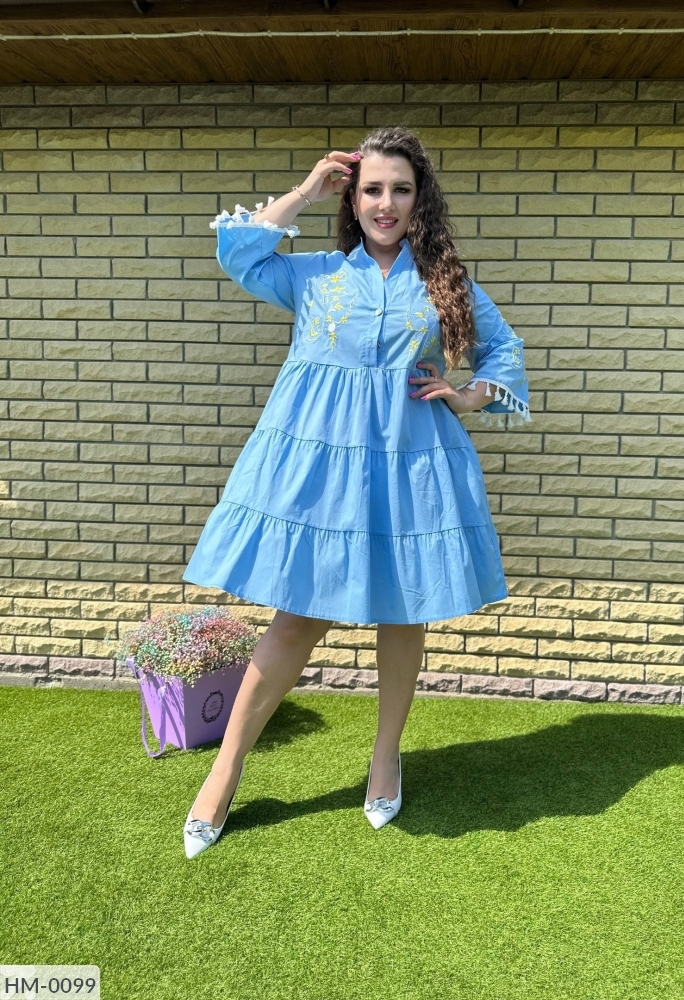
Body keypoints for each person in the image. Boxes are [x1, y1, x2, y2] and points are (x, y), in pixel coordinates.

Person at [181, 125, 530, 858]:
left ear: (420, 200)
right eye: (372, 188)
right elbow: (238, 251)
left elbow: (503, 348)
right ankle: (225, 769)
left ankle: (385, 758)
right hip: (324, 476)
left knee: (404, 614)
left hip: (411, 466)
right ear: (354, 197)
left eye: (401, 189)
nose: (385, 203)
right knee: (294, 621)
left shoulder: (444, 285)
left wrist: (470, 396)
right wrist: (307, 189)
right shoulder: (313, 275)